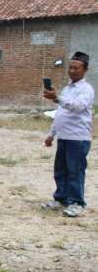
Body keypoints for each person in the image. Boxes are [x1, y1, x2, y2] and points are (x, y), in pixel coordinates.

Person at [42, 51, 94, 217]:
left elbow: (77, 107)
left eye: (76, 68)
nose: (72, 71)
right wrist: (52, 134)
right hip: (64, 137)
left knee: (75, 171)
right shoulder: (67, 89)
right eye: (70, 67)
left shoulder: (86, 90)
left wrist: (58, 99)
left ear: (85, 69)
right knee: (61, 170)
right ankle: (61, 198)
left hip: (78, 138)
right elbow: (61, 113)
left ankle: (77, 202)